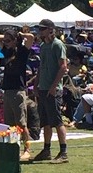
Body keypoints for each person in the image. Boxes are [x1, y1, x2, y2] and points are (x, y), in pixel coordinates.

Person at [26, 19, 69, 163]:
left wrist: (53, 86)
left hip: (53, 89)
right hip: (43, 88)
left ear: (51, 29)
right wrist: (37, 83)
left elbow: (63, 67)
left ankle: (63, 152)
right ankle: (47, 149)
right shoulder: (43, 46)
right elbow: (41, 66)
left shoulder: (58, 45)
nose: (40, 31)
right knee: (45, 122)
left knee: (57, 121)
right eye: (40, 28)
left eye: (43, 29)